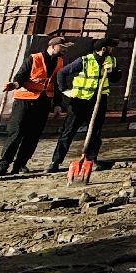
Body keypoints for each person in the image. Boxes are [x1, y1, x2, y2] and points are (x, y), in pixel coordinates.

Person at [0, 35, 68, 177]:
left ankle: (20, 164)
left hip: (43, 102)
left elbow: (57, 85)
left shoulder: (60, 62)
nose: (64, 50)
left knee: (33, 135)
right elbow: (20, 77)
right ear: (53, 46)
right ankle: (3, 165)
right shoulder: (34, 58)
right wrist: (14, 85)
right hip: (24, 100)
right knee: (16, 133)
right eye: (62, 47)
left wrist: (57, 105)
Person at [48, 37, 118, 173]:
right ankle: (55, 162)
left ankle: (91, 160)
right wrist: (65, 90)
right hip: (80, 102)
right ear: (104, 49)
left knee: (95, 133)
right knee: (68, 132)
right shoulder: (84, 60)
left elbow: (116, 78)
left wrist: (112, 71)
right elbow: (62, 73)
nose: (112, 49)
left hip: (99, 101)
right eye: (110, 47)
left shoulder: (111, 61)